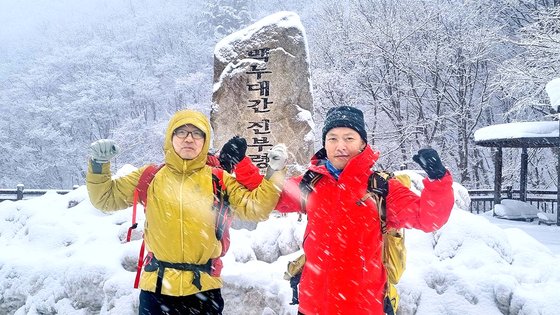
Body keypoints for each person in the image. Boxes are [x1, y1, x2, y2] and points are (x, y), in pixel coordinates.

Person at [86, 109, 287, 315]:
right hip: (157, 288)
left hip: (204, 290)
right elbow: (105, 198)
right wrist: (99, 165)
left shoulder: (218, 178)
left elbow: (256, 209)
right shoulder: (150, 176)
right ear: (170, 137)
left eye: (197, 133)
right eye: (181, 132)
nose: (189, 139)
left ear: (205, 140)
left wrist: (275, 172)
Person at [274, 106, 455, 315]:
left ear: (362, 144)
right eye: (332, 138)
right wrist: (242, 168)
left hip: (361, 307)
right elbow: (268, 198)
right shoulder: (312, 182)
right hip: (313, 306)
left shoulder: (380, 187)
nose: (340, 145)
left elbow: (428, 218)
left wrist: (439, 180)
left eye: (349, 138)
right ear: (324, 143)